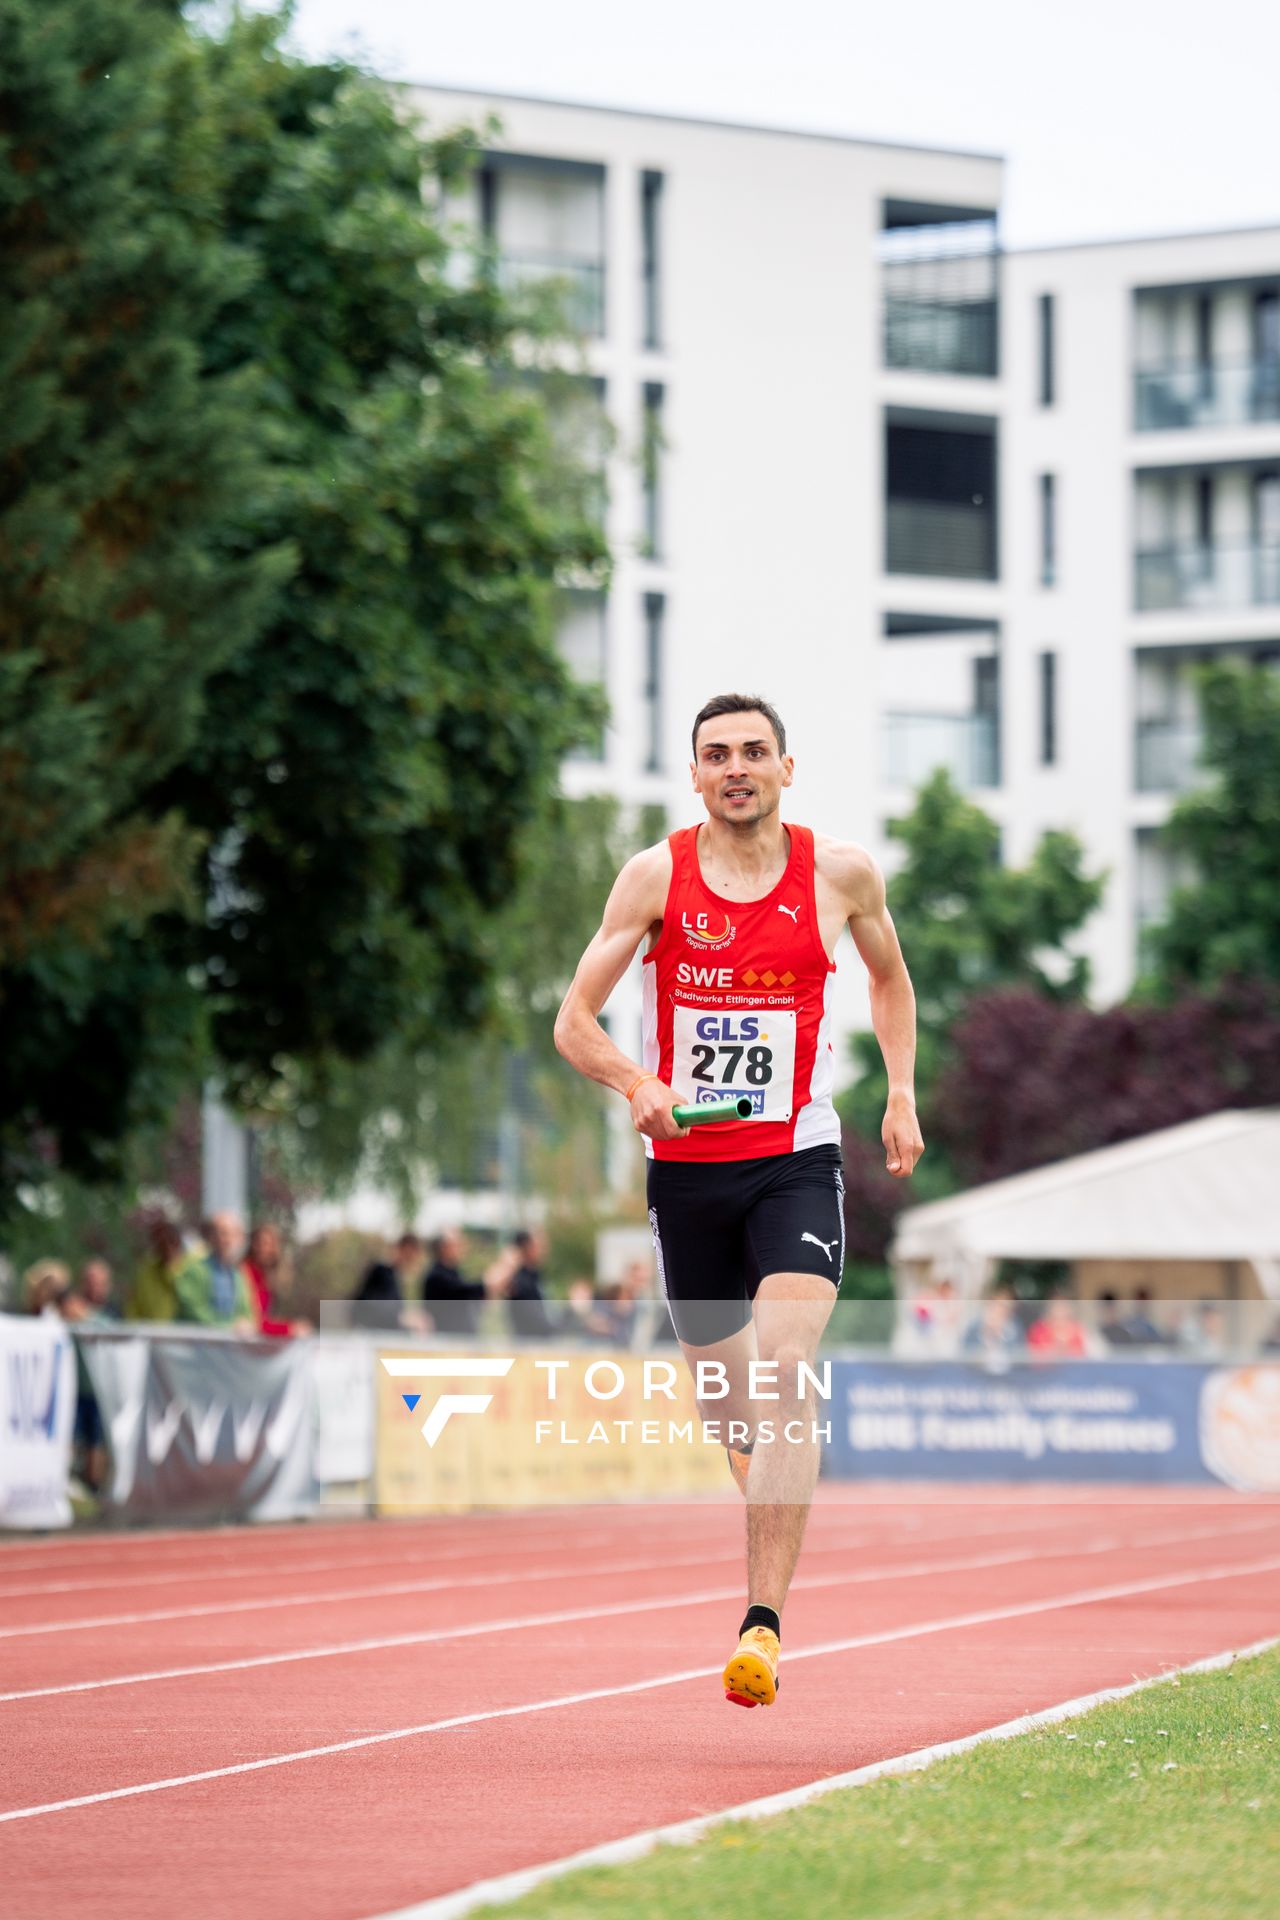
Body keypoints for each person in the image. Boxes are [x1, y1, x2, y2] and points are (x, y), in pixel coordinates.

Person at [555, 691, 923, 1711]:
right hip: (686, 1175)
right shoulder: (656, 877)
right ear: (694, 774)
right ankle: (778, 1507)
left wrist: (897, 1089)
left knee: (784, 1367)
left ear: (784, 769)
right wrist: (637, 1083)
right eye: (715, 754)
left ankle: (760, 1624)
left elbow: (890, 981)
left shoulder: (839, 876)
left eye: (753, 752)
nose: (735, 768)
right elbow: (571, 1020)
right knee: (731, 1410)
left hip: (793, 1159)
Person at [174, 1211, 258, 1329]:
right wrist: (229, 1327)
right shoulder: (194, 1269)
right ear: (211, 1237)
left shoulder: (238, 1274)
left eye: (233, 1234)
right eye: (223, 1233)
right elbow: (194, 1313)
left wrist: (247, 1325)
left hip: (229, 1345)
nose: (228, 1240)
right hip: (195, 1343)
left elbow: (247, 1312)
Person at [506, 1228, 556, 1340]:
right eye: (539, 1245)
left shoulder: (536, 1277)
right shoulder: (520, 1282)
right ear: (526, 1248)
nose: (544, 1250)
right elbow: (538, 1323)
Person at [1027, 1290, 1089, 1359]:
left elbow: (1082, 1356)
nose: (1060, 1310)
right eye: (1056, 1306)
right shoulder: (1038, 1330)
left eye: (1064, 1306)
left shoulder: (1076, 1329)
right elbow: (1036, 1357)